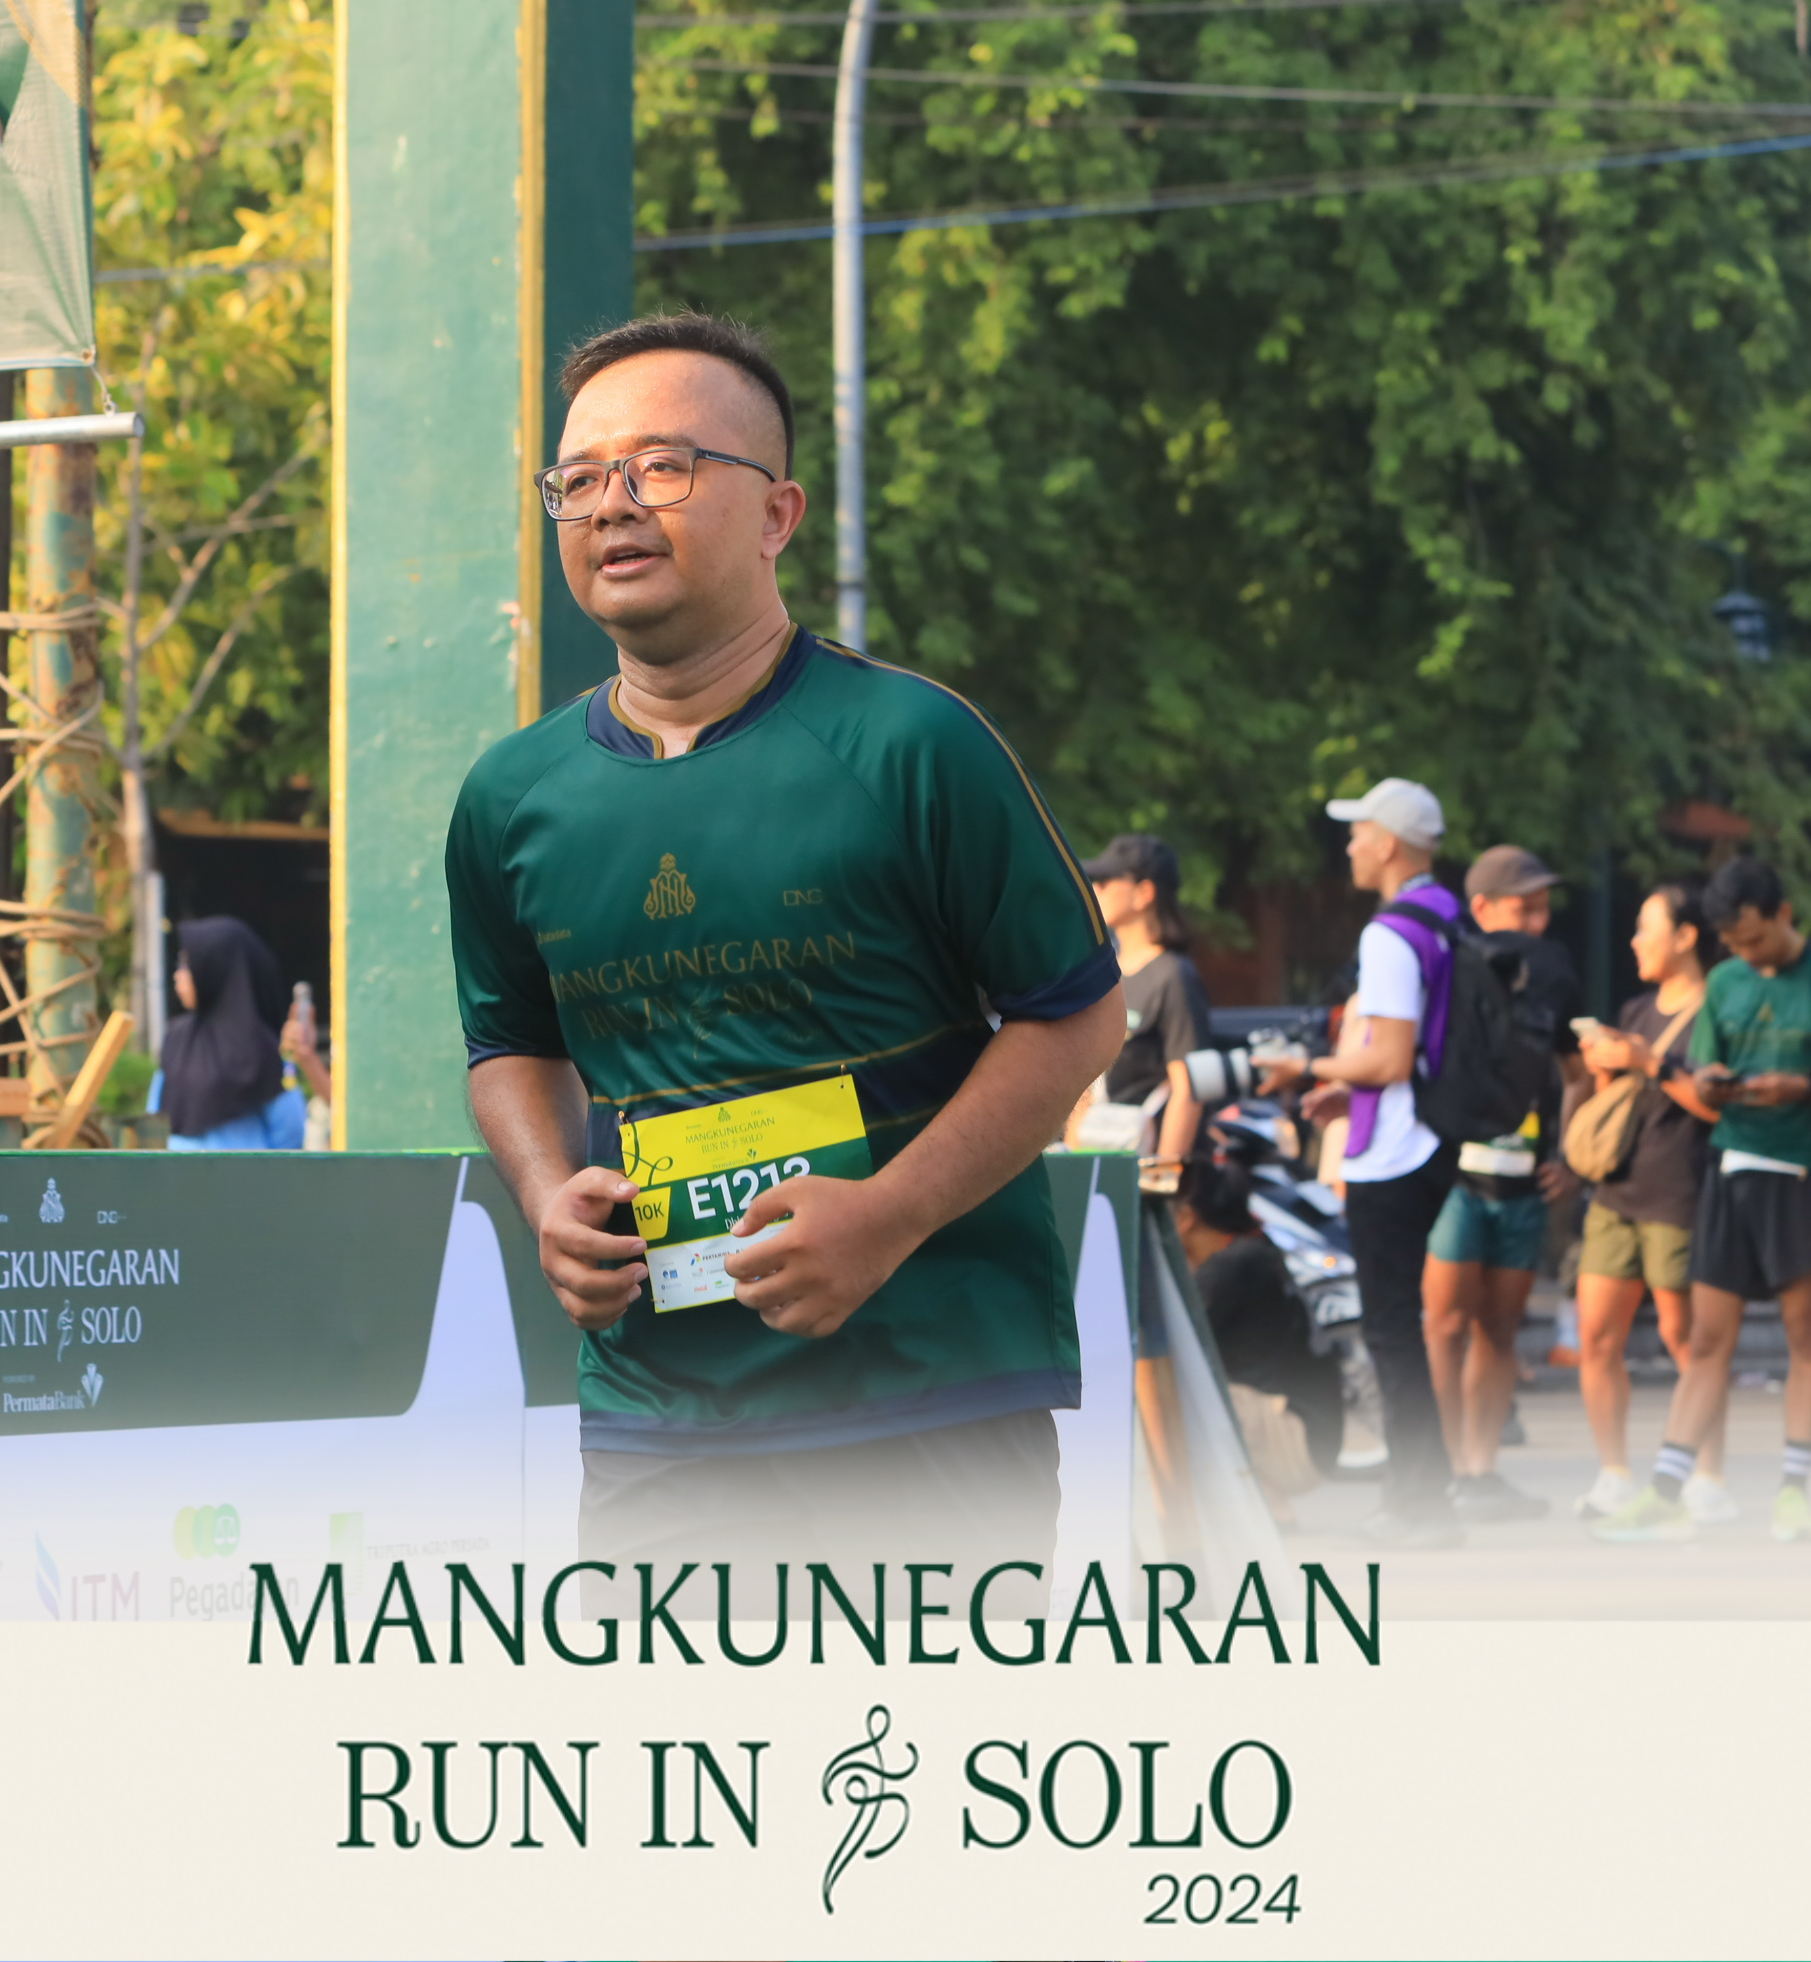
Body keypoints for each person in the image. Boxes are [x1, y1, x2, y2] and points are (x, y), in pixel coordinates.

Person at [448, 311, 1122, 1585]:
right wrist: (547, 1198)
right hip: (660, 1412)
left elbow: (1077, 1013)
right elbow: (510, 1043)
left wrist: (886, 1215)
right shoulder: (510, 797)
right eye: (579, 479)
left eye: (662, 466)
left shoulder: (914, 743)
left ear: (777, 514)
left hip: (928, 1394)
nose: (613, 504)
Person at [1597, 854, 1811, 1546]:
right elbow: (1700, 1074)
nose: (1746, 953)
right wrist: (1712, 1083)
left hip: (1803, 1170)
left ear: (1783, 914)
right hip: (1731, 1165)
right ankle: (1665, 1491)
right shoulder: (1723, 981)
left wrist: (1805, 1090)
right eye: (1734, 944)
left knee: (1805, 1336)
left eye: (1755, 938)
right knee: (1706, 1340)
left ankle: (1793, 1491)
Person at [1269, 777, 1469, 1547]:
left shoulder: (1390, 933)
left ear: (1387, 844)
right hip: (1436, 1137)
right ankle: (1423, 1494)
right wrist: (1344, 1090)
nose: (1350, 845)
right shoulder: (1448, 913)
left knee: (1391, 1332)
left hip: (1393, 1154)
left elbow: (1387, 1058)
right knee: (1401, 1329)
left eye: (1358, 832)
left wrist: (1307, 1069)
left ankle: (1420, 1505)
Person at [1426, 843, 1577, 1524]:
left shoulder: (1553, 977)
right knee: (1443, 1326)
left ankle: (1481, 1470)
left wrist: (1569, 1154)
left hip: (1522, 1180)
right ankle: (1444, 1467)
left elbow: (1577, 1073)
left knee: (1499, 1330)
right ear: (1482, 909)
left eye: (1544, 910)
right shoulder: (1448, 967)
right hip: (1454, 1180)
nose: (1537, 924)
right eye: (1524, 910)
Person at [1572, 882, 1721, 1520]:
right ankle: (1614, 1473)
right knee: (1596, 1337)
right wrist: (1606, 1069)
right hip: (1617, 1191)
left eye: (1646, 928)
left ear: (1685, 937)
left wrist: (1651, 1062)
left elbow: (1715, 1106)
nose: (1635, 941)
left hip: (1679, 1192)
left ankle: (1706, 1476)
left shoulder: (1716, 1010)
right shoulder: (1636, 1010)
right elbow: (1615, 1103)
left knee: (1686, 1339)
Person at [1177, 1153, 1344, 1487]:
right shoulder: (1255, 1249)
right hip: (1315, 1432)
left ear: (1187, 1217)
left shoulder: (1230, 1267)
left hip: (1294, 1436)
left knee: (1170, 1388)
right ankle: (1268, 1503)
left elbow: (1177, 1343)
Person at [1080, 833, 1215, 1199]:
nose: (1095, 889)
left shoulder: (1173, 975)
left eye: (1107, 881)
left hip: (1147, 1169)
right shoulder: (1102, 971)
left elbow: (1188, 1089)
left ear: (1144, 893)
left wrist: (1160, 1183)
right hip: (1102, 1160)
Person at [154, 916, 313, 1150]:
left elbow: (291, 1132)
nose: (177, 975)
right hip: (180, 1172)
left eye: (187, 965)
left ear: (215, 967)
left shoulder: (261, 1048)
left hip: (245, 1172)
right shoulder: (177, 1038)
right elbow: (156, 1115)